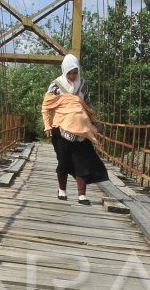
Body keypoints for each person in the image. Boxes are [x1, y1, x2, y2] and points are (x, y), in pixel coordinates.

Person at [41, 54, 109, 204]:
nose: (72, 75)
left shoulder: (83, 84)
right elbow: (46, 107)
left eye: (75, 72)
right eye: (69, 72)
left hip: (81, 130)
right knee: (63, 161)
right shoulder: (56, 85)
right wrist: (47, 125)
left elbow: (88, 104)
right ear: (64, 71)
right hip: (61, 129)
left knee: (82, 161)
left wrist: (94, 122)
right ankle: (62, 190)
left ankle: (81, 195)